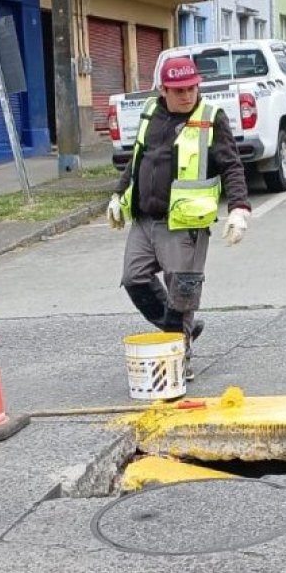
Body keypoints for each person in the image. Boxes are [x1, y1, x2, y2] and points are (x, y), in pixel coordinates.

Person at [107, 56, 252, 379]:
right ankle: (182, 329)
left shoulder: (211, 118)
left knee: (182, 290)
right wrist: (118, 194)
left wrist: (239, 208)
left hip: (185, 222)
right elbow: (138, 158)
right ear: (163, 90)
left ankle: (178, 358)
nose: (187, 96)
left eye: (191, 88)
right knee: (134, 278)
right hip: (145, 218)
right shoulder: (151, 112)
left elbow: (231, 165)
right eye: (179, 90)